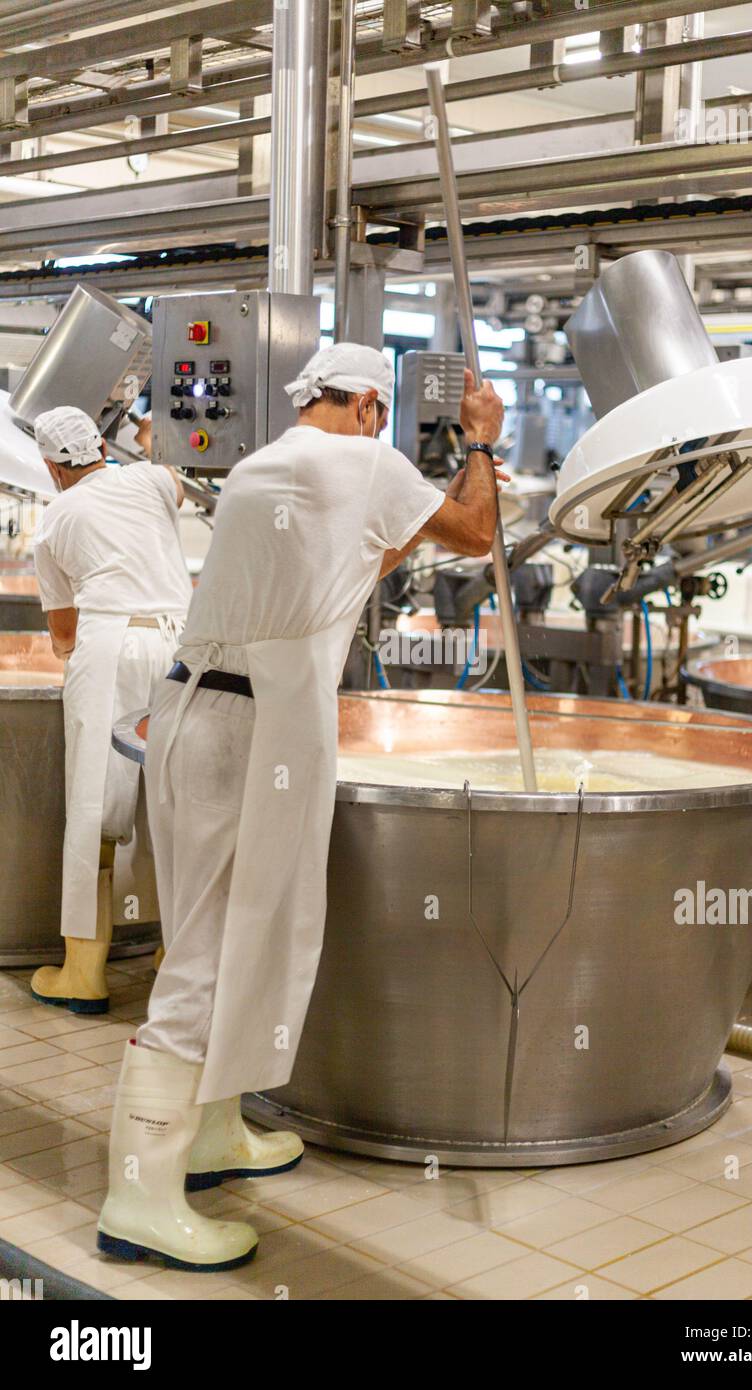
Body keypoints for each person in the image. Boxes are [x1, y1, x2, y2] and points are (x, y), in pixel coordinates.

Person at [98, 343, 506, 1272]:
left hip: (202, 704)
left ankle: (210, 1135)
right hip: (257, 719)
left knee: (247, 927)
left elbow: (375, 554)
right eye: (379, 413)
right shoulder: (364, 459)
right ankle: (137, 1196)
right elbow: (477, 533)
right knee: (209, 950)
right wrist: (480, 443)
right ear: (368, 404)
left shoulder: (263, 462)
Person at [29, 406, 191, 1014]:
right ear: (101, 445)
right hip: (181, 644)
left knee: (97, 803)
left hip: (111, 645)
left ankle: (83, 971)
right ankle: (174, 954)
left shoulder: (57, 518)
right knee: (174, 800)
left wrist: (69, 657)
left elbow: (65, 630)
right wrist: (148, 436)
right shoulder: (150, 480)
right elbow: (172, 476)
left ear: (50, 465)